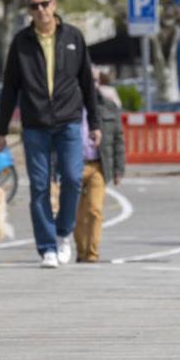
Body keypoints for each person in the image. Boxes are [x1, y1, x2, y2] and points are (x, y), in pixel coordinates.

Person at [0, 0, 101, 269]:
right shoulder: (21, 42)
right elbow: (10, 88)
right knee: (40, 186)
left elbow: (87, 84)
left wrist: (94, 123)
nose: (40, 10)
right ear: (29, 10)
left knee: (72, 178)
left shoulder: (73, 37)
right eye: (34, 6)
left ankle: (63, 232)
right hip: (35, 124)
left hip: (68, 121)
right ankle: (47, 248)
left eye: (45, 4)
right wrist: (2, 130)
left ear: (54, 5)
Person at [74, 92, 125, 263]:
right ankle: (81, 251)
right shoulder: (69, 105)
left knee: (94, 209)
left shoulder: (109, 107)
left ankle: (92, 253)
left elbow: (118, 139)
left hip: (98, 165)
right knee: (76, 213)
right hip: (75, 165)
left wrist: (119, 170)